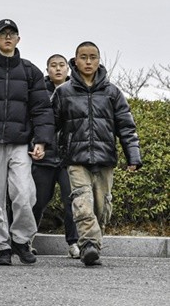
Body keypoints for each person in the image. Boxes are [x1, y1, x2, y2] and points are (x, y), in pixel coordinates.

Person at [0, 19, 54, 266]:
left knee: (24, 193)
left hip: (20, 142)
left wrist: (42, 141)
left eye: (12, 34)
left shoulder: (30, 71)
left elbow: (41, 109)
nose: (7, 37)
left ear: (18, 39)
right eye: (2, 34)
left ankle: (21, 239)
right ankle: (3, 245)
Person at [52, 41, 141, 266]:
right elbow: (50, 124)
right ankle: (88, 244)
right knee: (82, 200)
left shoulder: (112, 92)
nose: (88, 61)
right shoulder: (63, 92)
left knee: (101, 206)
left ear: (99, 60)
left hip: (104, 158)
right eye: (84, 57)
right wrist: (43, 146)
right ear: (76, 59)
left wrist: (133, 156)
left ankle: (93, 243)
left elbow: (126, 126)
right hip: (76, 158)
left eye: (93, 57)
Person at [31, 53, 79, 259]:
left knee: (72, 201)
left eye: (61, 65)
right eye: (53, 65)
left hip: (69, 157)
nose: (58, 69)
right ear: (47, 69)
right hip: (44, 156)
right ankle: (26, 239)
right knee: (37, 201)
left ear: (67, 69)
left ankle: (74, 243)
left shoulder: (75, 91)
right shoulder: (38, 91)